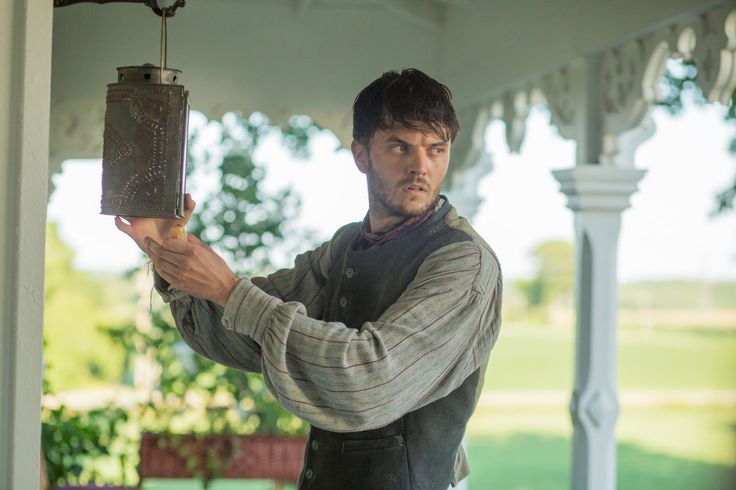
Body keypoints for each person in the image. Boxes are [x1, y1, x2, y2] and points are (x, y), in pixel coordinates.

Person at [116, 68, 502, 490]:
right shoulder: (345, 247)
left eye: (436, 149)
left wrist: (228, 289)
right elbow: (240, 336)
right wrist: (169, 248)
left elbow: (368, 380)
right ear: (361, 154)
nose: (420, 167)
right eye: (399, 146)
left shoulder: (464, 263)